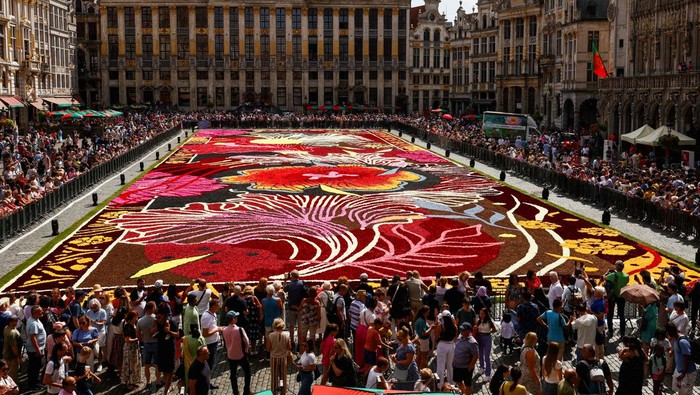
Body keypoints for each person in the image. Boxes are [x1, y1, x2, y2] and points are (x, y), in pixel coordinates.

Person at [223, 311, 250, 395]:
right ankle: (246, 390)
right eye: (236, 317)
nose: (237, 318)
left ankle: (235, 392)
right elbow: (247, 341)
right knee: (247, 371)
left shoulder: (224, 330)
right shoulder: (239, 329)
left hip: (231, 355)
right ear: (233, 319)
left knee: (233, 374)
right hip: (241, 354)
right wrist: (246, 350)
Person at [153, 306, 179, 395]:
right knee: (164, 370)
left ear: (164, 315)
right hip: (161, 349)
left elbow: (177, 335)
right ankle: (169, 385)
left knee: (170, 371)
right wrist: (155, 325)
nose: (157, 319)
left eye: (158, 317)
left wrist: (169, 331)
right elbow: (151, 331)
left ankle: (165, 391)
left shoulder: (172, 322)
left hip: (169, 350)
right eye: (156, 317)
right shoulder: (158, 323)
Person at [667, 323, 696, 395]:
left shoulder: (683, 342)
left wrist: (683, 374)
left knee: (686, 393)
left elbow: (687, 358)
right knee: (680, 392)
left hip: (687, 373)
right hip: (679, 371)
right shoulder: (676, 338)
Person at [136, 302, 160, 391]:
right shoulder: (155, 319)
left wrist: (142, 340)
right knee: (157, 364)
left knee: (147, 364)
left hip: (146, 344)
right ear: (152, 308)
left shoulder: (140, 321)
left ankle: (148, 381)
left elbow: (138, 335)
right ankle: (158, 381)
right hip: (156, 343)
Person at [201, 299, 222, 389]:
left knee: (210, 364)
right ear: (213, 306)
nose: (219, 305)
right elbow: (205, 334)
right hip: (210, 343)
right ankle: (206, 383)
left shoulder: (213, 314)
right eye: (218, 304)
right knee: (209, 364)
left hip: (213, 342)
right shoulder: (207, 317)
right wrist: (217, 329)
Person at [605, 261, 629, 337]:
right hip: (621, 297)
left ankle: (610, 331)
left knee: (610, 315)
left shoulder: (613, 275)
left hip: (612, 297)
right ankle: (622, 333)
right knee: (622, 315)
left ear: (617, 267)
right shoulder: (626, 276)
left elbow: (603, 278)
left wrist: (607, 273)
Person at [453, 322, 478, 395]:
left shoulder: (472, 342)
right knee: (458, 381)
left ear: (468, 331)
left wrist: (470, 366)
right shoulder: (460, 336)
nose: (461, 331)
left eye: (463, 330)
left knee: (468, 384)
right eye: (461, 330)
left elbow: (475, 356)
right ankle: (464, 392)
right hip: (457, 365)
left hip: (466, 367)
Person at [267, 318, 291, 395]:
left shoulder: (271, 335)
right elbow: (289, 347)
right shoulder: (286, 335)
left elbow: (268, 348)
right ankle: (282, 390)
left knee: (274, 377)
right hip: (283, 358)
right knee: (282, 376)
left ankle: (274, 391)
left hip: (274, 358)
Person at [26, 305, 47, 390]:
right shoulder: (34, 323)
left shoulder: (34, 320)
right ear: (35, 313)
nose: (42, 312)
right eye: (40, 311)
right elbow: (33, 338)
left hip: (36, 348)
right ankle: (33, 384)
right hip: (35, 349)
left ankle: (34, 382)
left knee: (35, 367)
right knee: (35, 367)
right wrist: (38, 350)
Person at [435, 310, 457, 387]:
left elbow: (436, 337)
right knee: (450, 365)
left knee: (440, 365)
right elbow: (455, 336)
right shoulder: (454, 326)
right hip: (451, 345)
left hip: (442, 345)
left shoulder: (440, 326)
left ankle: (439, 384)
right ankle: (451, 383)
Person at [284, 270, 305, 348]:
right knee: (300, 327)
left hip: (291, 308)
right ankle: (299, 343)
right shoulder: (302, 283)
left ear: (291, 276)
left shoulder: (289, 285)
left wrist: (285, 280)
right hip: (300, 308)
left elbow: (284, 289)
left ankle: (292, 342)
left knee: (291, 326)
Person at [121, 310, 142, 390]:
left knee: (134, 365)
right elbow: (127, 340)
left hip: (134, 348)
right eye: (135, 316)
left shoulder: (133, 325)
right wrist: (137, 339)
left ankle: (133, 381)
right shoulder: (128, 326)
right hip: (130, 348)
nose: (137, 318)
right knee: (129, 365)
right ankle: (129, 383)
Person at [476, 307, 496, 381]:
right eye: (480, 313)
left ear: (485, 314)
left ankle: (488, 374)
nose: (481, 315)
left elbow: (494, 329)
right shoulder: (478, 321)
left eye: (482, 314)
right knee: (480, 354)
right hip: (480, 338)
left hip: (487, 338)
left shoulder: (489, 321)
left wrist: (488, 332)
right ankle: (482, 367)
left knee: (487, 356)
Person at [184, 325, 206, 389]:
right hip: (200, 362)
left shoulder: (186, 339)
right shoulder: (201, 338)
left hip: (188, 363)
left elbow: (183, 353)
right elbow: (205, 349)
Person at [2, 315, 20, 383]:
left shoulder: (7, 328)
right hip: (11, 356)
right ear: (10, 322)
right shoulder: (11, 332)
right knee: (12, 374)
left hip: (7, 353)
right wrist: (17, 356)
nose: (16, 322)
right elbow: (13, 346)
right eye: (15, 321)